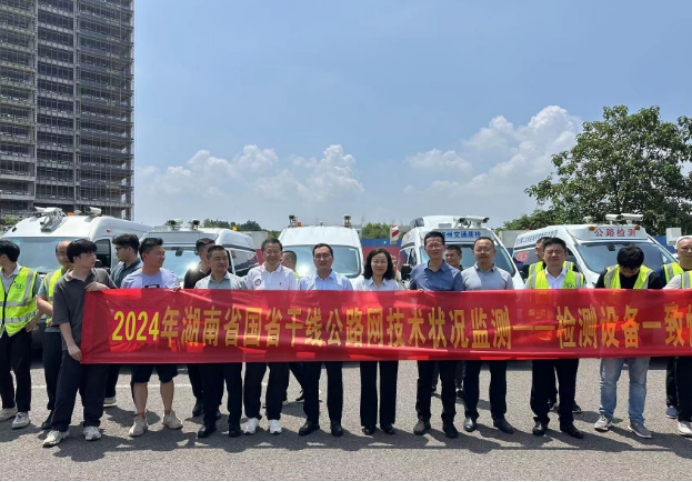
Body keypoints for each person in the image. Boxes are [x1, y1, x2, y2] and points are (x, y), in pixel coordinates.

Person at [43, 239, 115, 446]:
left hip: (100, 343)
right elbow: (61, 318)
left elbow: (119, 299)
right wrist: (71, 344)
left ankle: (91, 424)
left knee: (95, 386)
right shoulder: (62, 284)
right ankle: (59, 428)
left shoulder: (102, 275)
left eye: (94, 253)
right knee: (66, 387)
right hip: (74, 344)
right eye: (89, 255)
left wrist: (105, 289)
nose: (94, 258)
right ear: (75, 258)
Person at [593, 245, 662, 439]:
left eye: (633, 269)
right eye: (625, 269)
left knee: (638, 381)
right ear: (619, 264)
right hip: (613, 336)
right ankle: (606, 416)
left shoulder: (651, 277)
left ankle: (636, 421)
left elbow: (659, 307)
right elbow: (596, 301)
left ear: (640, 266)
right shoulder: (607, 274)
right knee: (608, 379)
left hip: (641, 338)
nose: (629, 273)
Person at [121, 237, 183, 437]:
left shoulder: (171, 277)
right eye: (158, 253)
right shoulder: (130, 280)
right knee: (140, 379)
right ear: (145, 256)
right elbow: (122, 308)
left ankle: (168, 414)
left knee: (167, 377)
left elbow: (179, 306)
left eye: (163, 253)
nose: (162, 256)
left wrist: (179, 295)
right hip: (140, 338)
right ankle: (140, 418)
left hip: (165, 336)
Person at [526, 237, 585, 439]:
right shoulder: (533, 279)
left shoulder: (577, 278)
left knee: (567, 382)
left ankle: (567, 421)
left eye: (558, 251)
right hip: (541, 338)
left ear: (566, 255)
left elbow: (587, 305)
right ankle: (541, 419)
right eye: (549, 251)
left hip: (568, 338)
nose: (553, 255)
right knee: (540, 382)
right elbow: (523, 306)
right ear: (542, 255)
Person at [409, 231, 464, 439]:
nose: (434, 248)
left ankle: (448, 421)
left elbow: (461, 304)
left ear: (444, 247)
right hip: (425, 335)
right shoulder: (417, 271)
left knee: (448, 381)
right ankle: (423, 418)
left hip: (448, 335)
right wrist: (417, 298)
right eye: (430, 245)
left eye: (437, 244)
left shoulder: (455, 274)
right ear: (425, 249)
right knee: (424, 380)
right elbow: (408, 299)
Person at [243, 239, 298, 435]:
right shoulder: (253, 274)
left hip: (280, 333)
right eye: (269, 251)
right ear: (263, 253)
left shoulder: (289, 275)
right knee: (253, 376)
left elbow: (295, 303)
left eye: (276, 251)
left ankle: (274, 417)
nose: (272, 254)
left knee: (278, 377)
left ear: (281, 254)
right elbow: (245, 301)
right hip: (256, 333)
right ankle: (252, 417)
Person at [460, 237, 514, 434]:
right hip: (472, 333)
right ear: (473, 253)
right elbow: (456, 305)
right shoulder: (464, 276)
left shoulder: (505, 276)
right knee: (470, 376)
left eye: (486, 249)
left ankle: (499, 416)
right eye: (479, 249)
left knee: (498, 377)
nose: (483, 252)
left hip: (498, 333)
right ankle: (470, 414)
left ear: (494, 252)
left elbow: (512, 305)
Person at [298, 243, 353, 437]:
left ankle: (335, 421)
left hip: (335, 337)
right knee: (310, 380)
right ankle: (312, 420)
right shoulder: (304, 282)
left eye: (326, 255)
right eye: (318, 256)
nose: (322, 259)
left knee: (335, 380)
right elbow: (297, 308)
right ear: (313, 260)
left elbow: (352, 308)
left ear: (332, 258)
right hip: (311, 337)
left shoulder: (343, 282)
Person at [195, 246, 247, 438]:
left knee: (234, 385)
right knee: (210, 386)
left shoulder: (239, 283)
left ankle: (234, 422)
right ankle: (209, 422)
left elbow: (249, 309)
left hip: (232, 342)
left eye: (224, 258)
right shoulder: (200, 285)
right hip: (209, 342)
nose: (222, 262)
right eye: (217, 258)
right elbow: (193, 310)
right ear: (208, 261)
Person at [354, 248, 400, 436]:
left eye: (383, 261)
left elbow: (402, 308)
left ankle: (387, 421)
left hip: (390, 338)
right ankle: (369, 421)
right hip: (367, 338)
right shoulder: (360, 284)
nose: (379, 265)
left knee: (389, 380)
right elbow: (353, 309)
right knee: (368, 381)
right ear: (369, 263)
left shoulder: (394, 285)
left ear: (388, 265)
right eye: (376, 261)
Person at [0, 240, 40, 430]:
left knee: (21, 370)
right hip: (1, 330)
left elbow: (44, 299)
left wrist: (35, 320)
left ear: (4, 257)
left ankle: (23, 411)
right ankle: (9, 406)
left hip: (21, 330)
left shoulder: (30, 275)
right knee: (1, 370)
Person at [103, 234, 143, 409]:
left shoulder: (142, 270)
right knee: (111, 361)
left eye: (118, 249)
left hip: (135, 325)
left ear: (130, 249)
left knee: (136, 366)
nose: (116, 252)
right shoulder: (118, 268)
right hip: (116, 323)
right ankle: (109, 395)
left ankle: (139, 405)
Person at [35, 240, 72, 430]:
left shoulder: (85, 275)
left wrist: (59, 318)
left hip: (78, 332)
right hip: (53, 333)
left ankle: (89, 416)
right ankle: (54, 411)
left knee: (81, 375)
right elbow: (40, 300)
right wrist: (57, 316)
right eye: (60, 253)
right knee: (52, 373)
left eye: (67, 252)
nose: (64, 256)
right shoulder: (50, 277)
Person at [658, 235, 692, 419]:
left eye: (691, 248)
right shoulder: (666, 270)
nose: (689, 252)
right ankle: (673, 402)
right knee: (675, 366)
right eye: (685, 248)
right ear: (677, 251)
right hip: (675, 326)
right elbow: (654, 297)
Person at [183, 238, 216, 417]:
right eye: (210, 250)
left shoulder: (221, 271)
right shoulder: (191, 274)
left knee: (213, 367)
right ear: (201, 253)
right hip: (195, 326)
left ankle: (214, 402)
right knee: (194, 366)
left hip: (216, 327)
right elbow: (186, 300)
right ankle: (199, 399)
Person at [664, 257, 692, 438]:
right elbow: (660, 299)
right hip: (686, 338)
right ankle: (684, 418)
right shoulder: (683, 279)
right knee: (686, 380)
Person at [280, 250, 306, 402]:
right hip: (286, 324)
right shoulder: (296, 277)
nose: (279, 263)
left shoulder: (293, 278)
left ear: (289, 262)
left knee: (288, 360)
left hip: (290, 324)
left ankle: (282, 394)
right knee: (290, 360)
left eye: (281, 260)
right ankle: (308, 388)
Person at [444, 244, 465, 400]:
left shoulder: (466, 275)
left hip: (460, 321)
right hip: (440, 320)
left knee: (459, 355)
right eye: (447, 255)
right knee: (438, 355)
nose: (449, 258)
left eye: (453, 255)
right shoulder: (442, 273)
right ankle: (433, 383)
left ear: (460, 257)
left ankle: (458, 384)